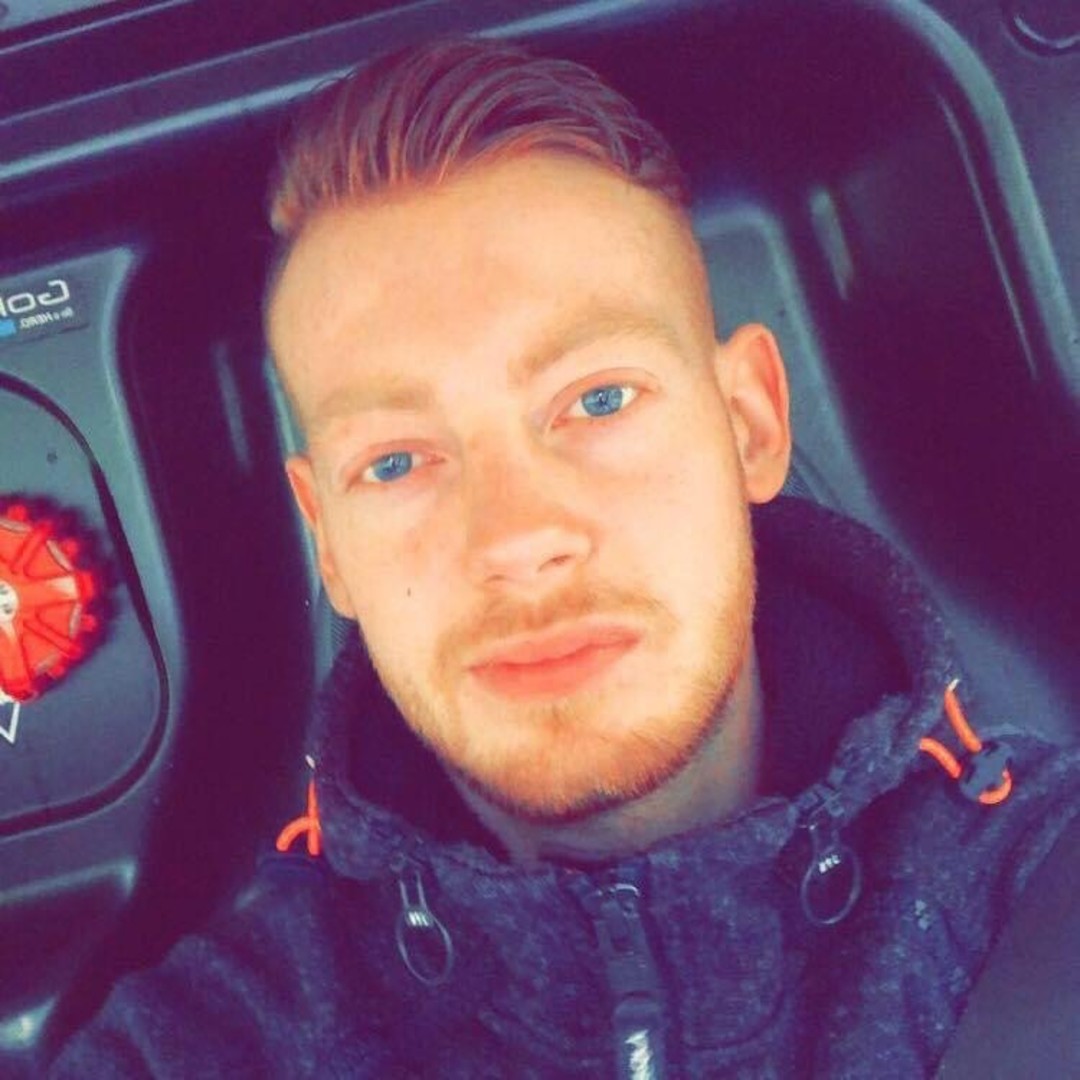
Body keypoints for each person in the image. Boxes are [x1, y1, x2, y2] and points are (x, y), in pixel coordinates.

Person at [51, 36, 1080, 1078]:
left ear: (750, 423)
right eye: (397, 460)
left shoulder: (1038, 885)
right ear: (332, 543)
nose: (517, 540)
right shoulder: (218, 1041)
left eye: (597, 400)